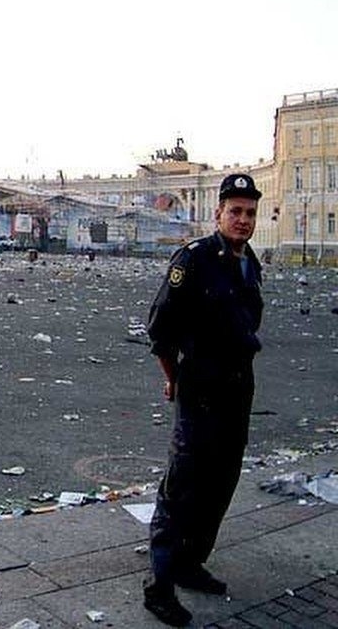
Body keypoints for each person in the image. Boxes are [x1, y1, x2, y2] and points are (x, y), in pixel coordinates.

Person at [143, 173, 264, 626]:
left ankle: (190, 563)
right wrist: (174, 379)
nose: (243, 220)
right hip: (200, 391)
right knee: (181, 489)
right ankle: (159, 587)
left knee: (221, 483)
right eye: (235, 211)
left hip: (238, 389)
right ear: (218, 214)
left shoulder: (250, 263)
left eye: (250, 213)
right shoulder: (193, 259)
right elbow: (160, 330)